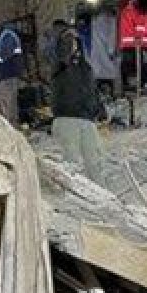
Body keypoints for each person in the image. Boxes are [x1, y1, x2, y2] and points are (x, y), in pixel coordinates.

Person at [51, 29, 106, 183]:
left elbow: (92, 89)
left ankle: (100, 193)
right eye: (69, 41)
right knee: (72, 161)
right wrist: (66, 38)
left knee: (94, 159)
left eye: (75, 40)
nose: (73, 43)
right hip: (67, 118)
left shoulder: (85, 68)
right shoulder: (60, 67)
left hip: (87, 118)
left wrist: (99, 107)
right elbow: (62, 56)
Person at [0, 18, 27, 126]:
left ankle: (14, 134)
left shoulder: (8, 36)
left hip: (7, 77)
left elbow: (2, 56)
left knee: (9, 108)